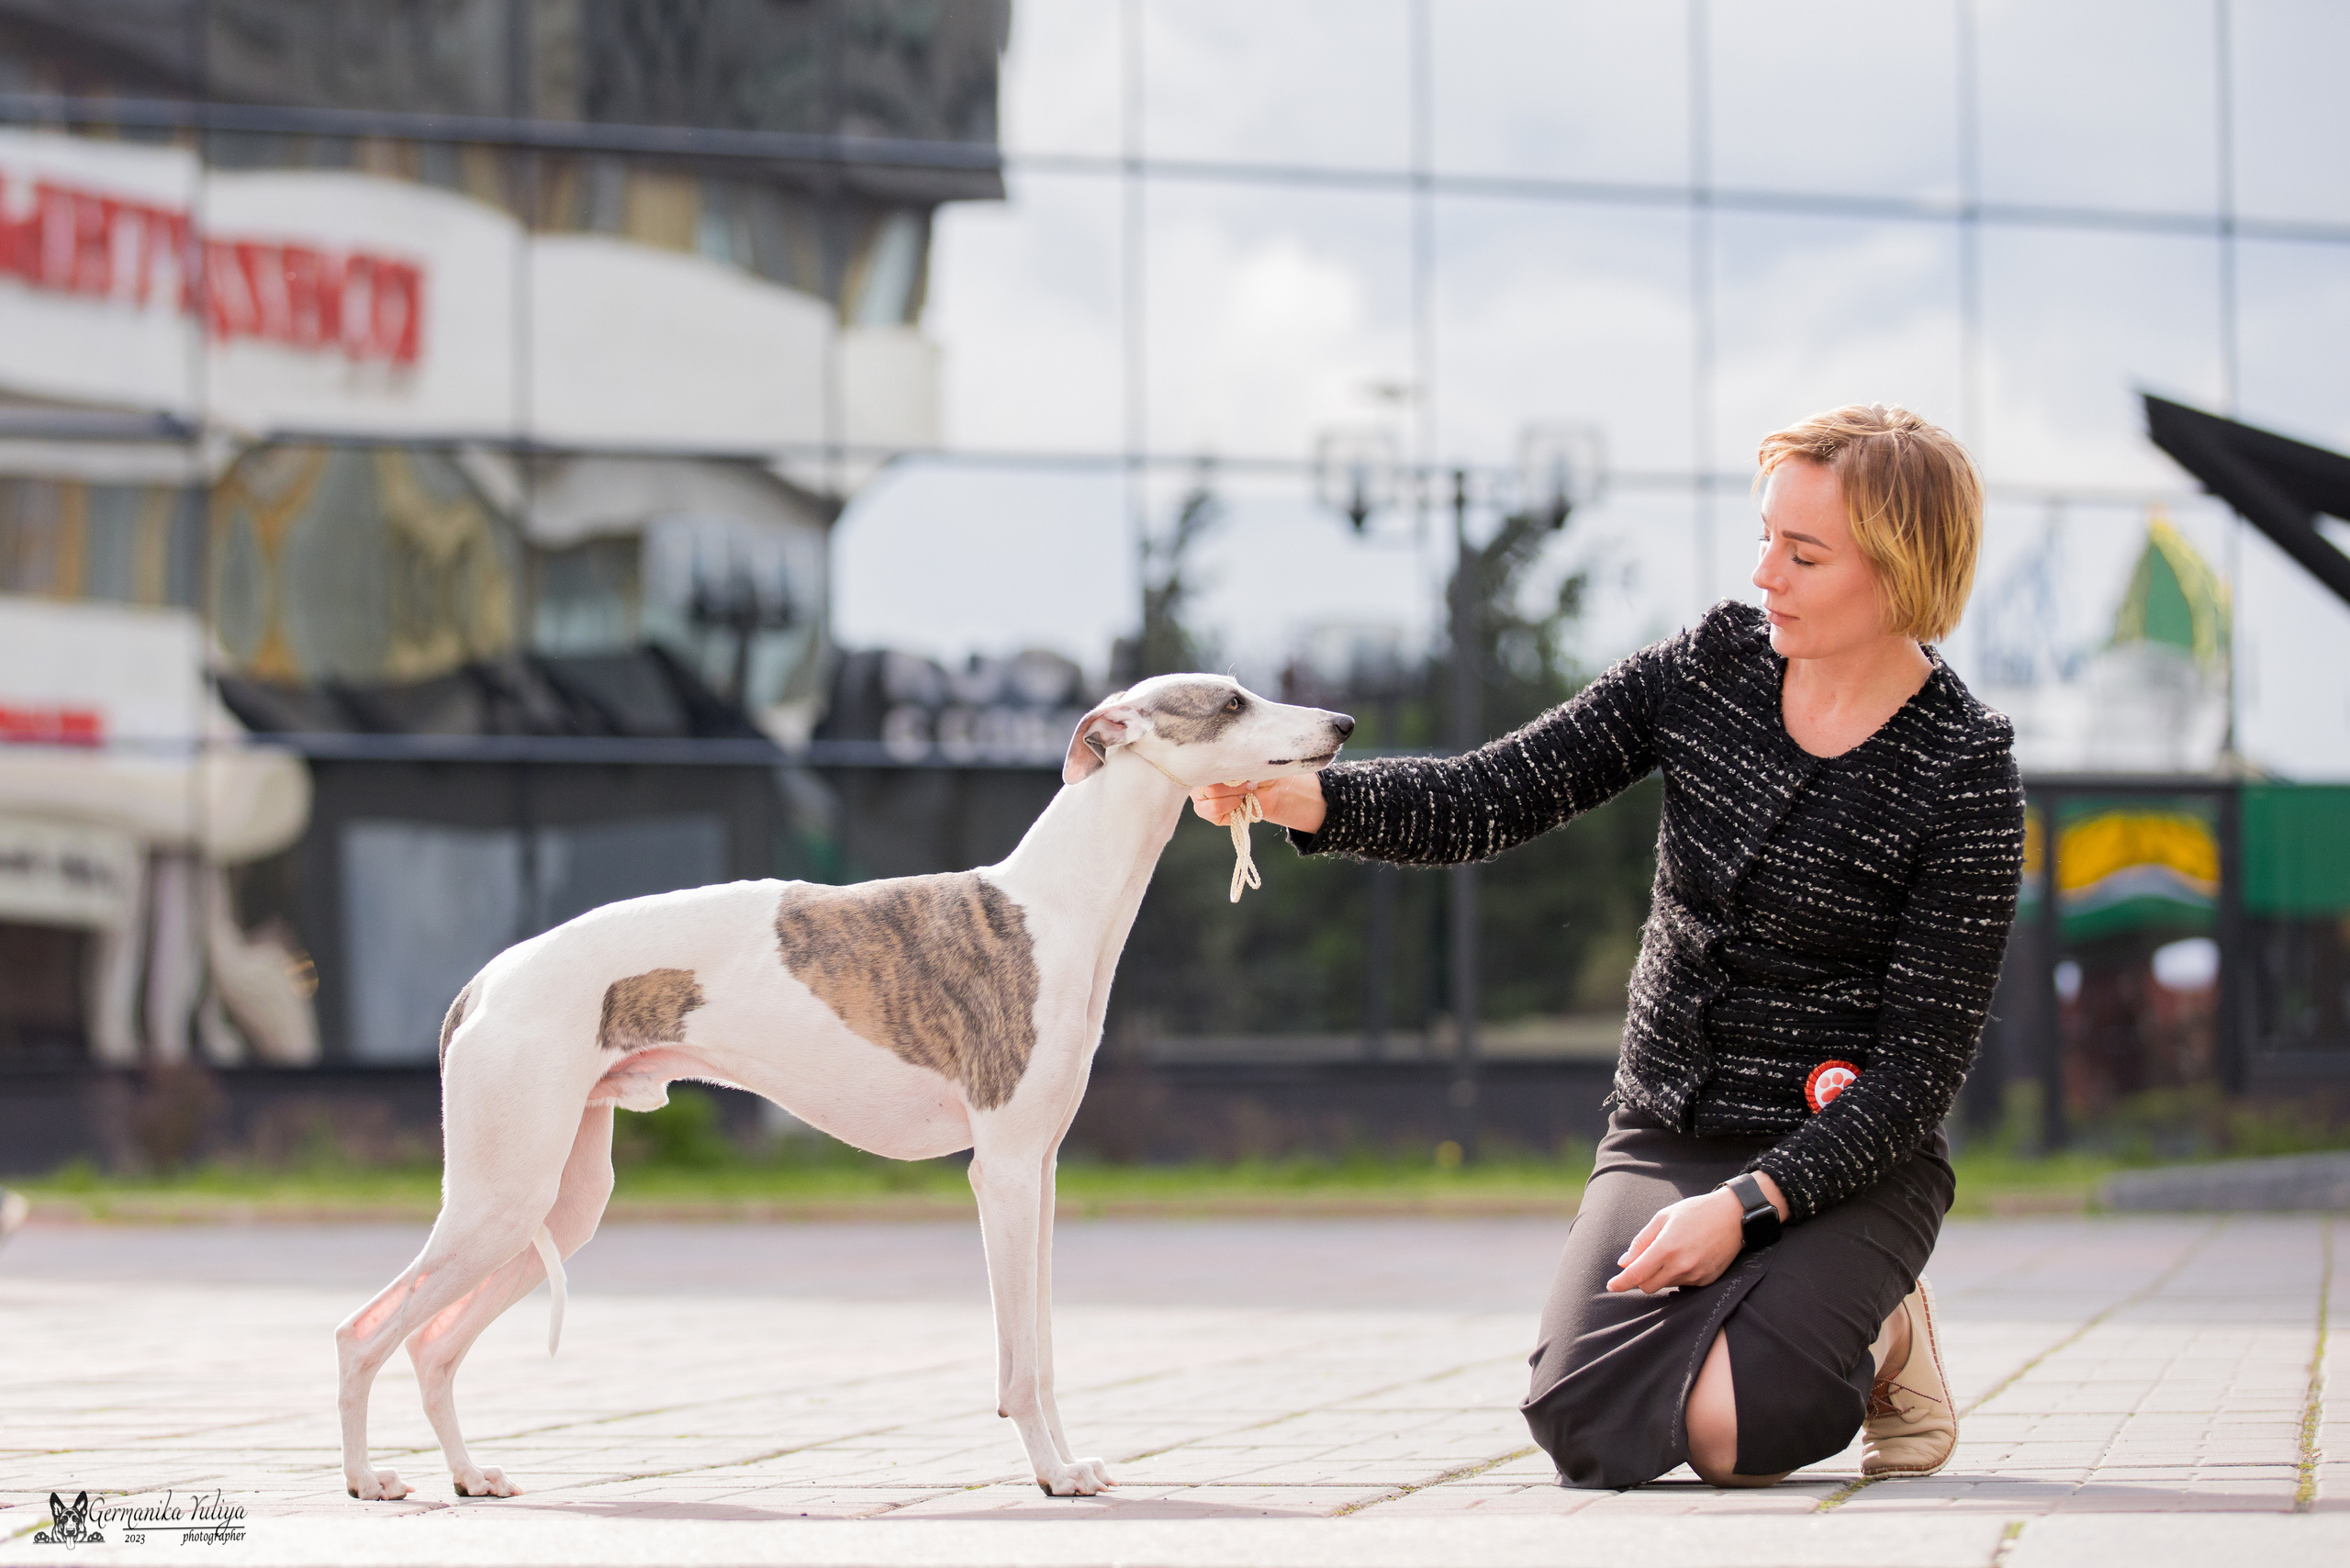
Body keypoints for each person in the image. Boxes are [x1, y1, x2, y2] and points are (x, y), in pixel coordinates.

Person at [1195, 404, 2024, 1489]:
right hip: (1670, 1128)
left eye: (1802, 552)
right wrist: (1306, 797)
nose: (1764, 571)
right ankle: (1789, 1296)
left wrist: (1745, 1209)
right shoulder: (1710, 665)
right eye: (1764, 536)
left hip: (1848, 1155)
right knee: (1583, 1424)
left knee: (1740, 1430)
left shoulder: (1963, 774)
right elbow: (1490, 793)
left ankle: (1889, 1330)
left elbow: (1914, 1079)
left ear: (1900, 569)